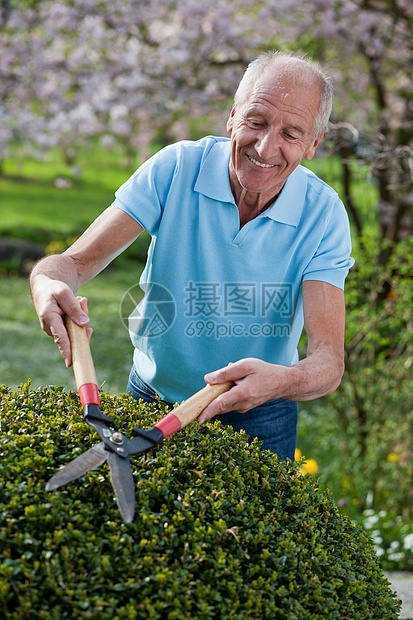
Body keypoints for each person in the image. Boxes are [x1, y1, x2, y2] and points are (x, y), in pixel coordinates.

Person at [29, 50, 354, 461]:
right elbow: (74, 263)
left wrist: (283, 382)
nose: (267, 147)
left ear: (312, 144)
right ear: (232, 116)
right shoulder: (177, 167)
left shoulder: (323, 214)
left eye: (292, 133)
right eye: (256, 121)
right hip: (152, 396)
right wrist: (46, 282)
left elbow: (328, 360)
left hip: (259, 414)